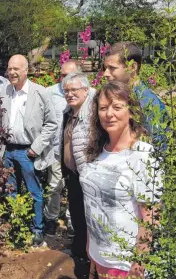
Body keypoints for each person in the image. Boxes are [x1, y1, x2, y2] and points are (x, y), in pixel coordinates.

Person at [82, 81, 162, 278]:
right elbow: (92, 203)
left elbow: (151, 216)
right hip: (98, 255)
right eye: (103, 108)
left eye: (117, 107)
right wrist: (91, 247)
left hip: (125, 263)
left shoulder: (143, 155)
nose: (109, 114)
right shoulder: (97, 150)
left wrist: (140, 262)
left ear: (131, 112)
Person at [1, 55, 58, 246]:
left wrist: (36, 148)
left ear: (26, 70)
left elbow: (52, 123)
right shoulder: (5, 91)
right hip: (8, 150)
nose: (12, 72)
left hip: (28, 152)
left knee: (35, 192)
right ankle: (16, 226)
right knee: (10, 191)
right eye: (10, 69)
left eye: (17, 69)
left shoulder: (40, 93)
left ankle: (37, 229)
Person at [59, 72, 96, 276]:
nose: (70, 94)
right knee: (76, 213)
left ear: (86, 90)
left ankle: (88, 258)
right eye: (66, 90)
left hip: (87, 174)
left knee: (88, 216)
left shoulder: (92, 113)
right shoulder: (69, 112)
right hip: (73, 174)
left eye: (74, 90)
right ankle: (79, 250)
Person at [44, 61, 84, 238]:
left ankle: (71, 220)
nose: (65, 79)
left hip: (78, 152)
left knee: (76, 189)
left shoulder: (86, 93)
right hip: (56, 150)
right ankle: (51, 218)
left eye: (70, 75)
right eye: (62, 75)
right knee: (54, 186)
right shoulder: (49, 93)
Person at [103, 41, 167, 146]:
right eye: (105, 68)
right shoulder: (121, 95)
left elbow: (159, 149)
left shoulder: (148, 103)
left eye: (112, 68)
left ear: (132, 67)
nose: (105, 74)